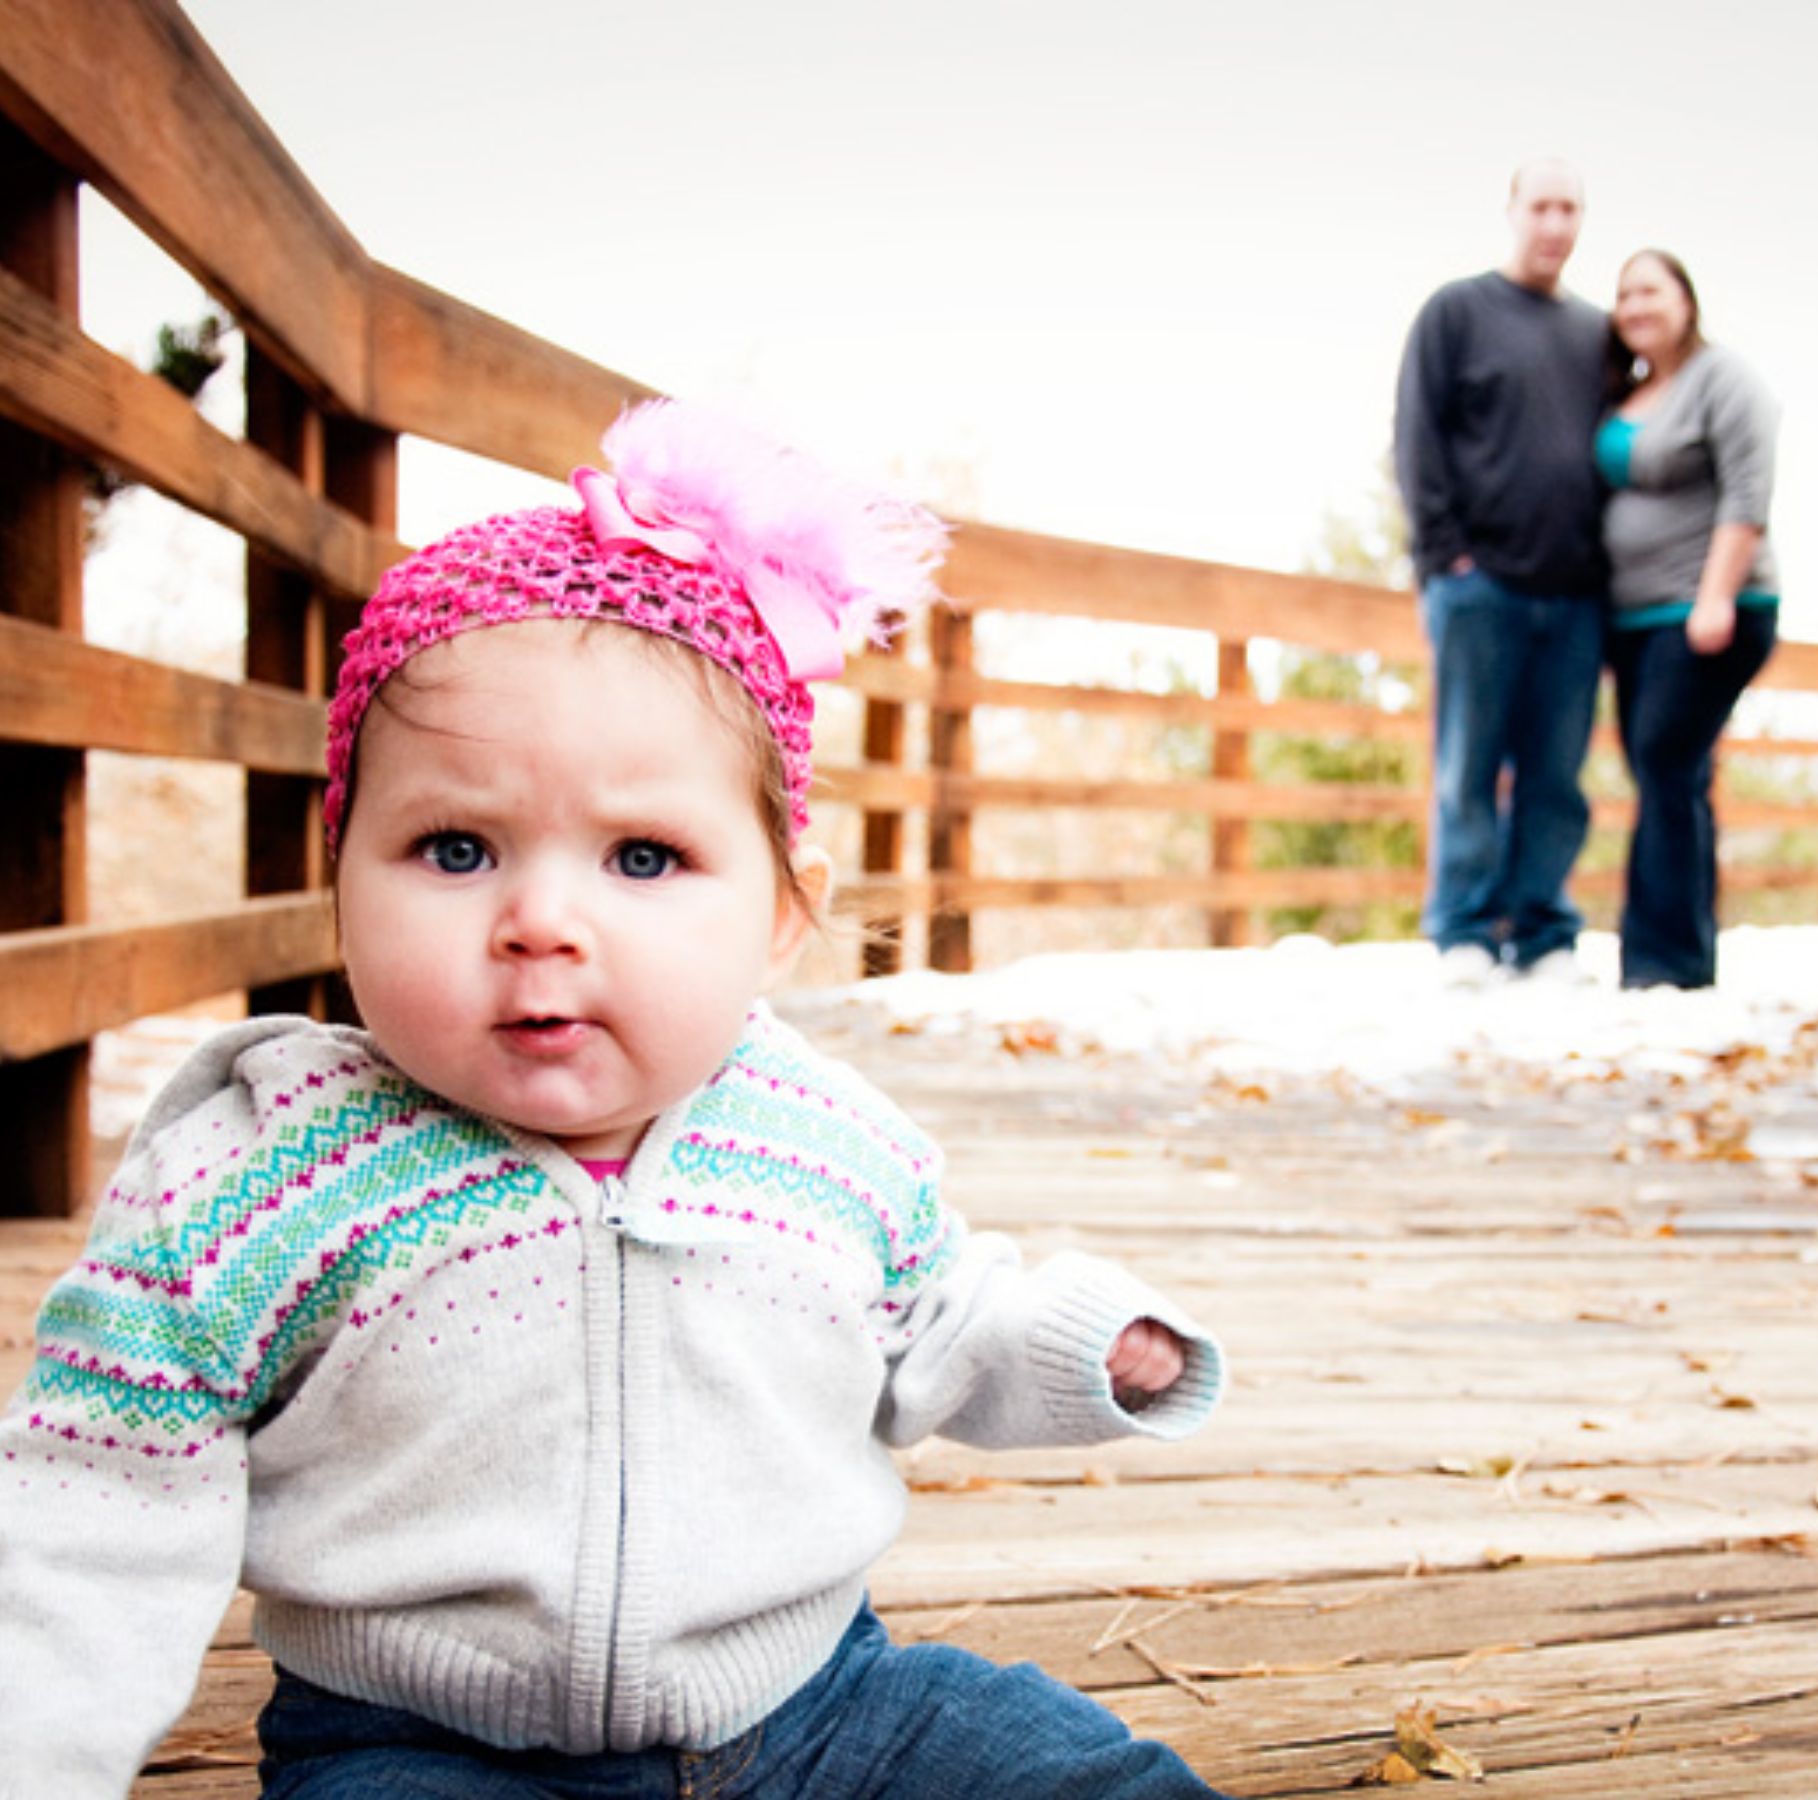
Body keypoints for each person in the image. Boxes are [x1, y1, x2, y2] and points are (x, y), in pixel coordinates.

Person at [0, 400, 1228, 1800]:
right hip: (421, 1745)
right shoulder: (259, 1181)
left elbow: (944, 1316)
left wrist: (1090, 1344)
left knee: (1078, 1775)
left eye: (642, 858)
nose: (541, 921)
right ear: (341, 876)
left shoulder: (825, 1146)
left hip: (817, 1709)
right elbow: (92, 1503)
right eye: (454, 847)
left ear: (780, 915)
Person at [1393, 157, 1614, 988]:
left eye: (1572, 209)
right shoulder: (1457, 311)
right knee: (1468, 764)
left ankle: (1543, 928)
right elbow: (1416, 435)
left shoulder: (1597, 334)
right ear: (1513, 211)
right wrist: (1443, 555)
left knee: (1556, 772)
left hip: (1575, 592)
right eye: (1543, 206)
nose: (1556, 224)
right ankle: (1464, 929)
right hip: (1478, 583)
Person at [1596, 248, 1782, 990]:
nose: (1636, 306)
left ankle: (1663, 964)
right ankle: (1682, 955)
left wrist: (1715, 597)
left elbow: (1748, 493)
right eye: (1624, 294)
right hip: (1636, 620)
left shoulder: (1724, 380)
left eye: (1651, 290)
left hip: (1708, 609)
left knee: (1667, 763)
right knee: (1664, 772)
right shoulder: (1631, 390)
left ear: (1686, 300)